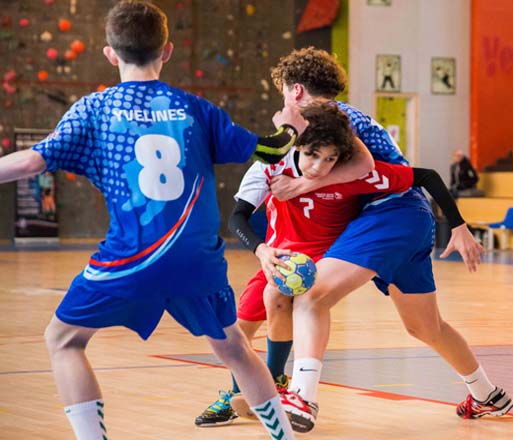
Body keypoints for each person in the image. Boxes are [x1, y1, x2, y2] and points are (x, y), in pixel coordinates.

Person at [0, 2, 329, 439]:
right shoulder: (195, 109)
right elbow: (268, 150)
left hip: (129, 259)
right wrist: (290, 126)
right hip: (197, 261)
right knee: (233, 348)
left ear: (110, 54)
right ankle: (283, 435)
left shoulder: (93, 111)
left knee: (63, 340)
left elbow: (29, 163)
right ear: (167, 51)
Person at [267, 48, 513, 432]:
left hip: (389, 215)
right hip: (413, 216)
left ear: (295, 90)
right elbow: (405, 173)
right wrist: (457, 223)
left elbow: (363, 168)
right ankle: (486, 394)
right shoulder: (345, 116)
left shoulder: (329, 119)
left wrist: (301, 182)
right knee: (425, 326)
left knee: (312, 295)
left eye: (284, 93)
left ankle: (302, 395)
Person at [198, 103, 471, 427]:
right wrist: (261, 250)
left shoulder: (352, 175)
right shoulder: (271, 167)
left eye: (329, 159)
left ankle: (276, 385)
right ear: (297, 146)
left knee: (276, 298)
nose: (319, 167)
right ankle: (236, 394)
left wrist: (458, 224)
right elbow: (236, 218)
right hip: (279, 256)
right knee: (238, 328)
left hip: (325, 261)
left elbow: (425, 176)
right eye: (313, 156)